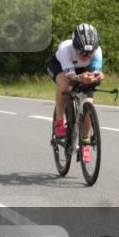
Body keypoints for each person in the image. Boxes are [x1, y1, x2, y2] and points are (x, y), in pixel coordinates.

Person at [46, 24, 104, 162]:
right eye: (82, 52)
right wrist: (80, 78)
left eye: (89, 53)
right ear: (74, 46)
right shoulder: (66, 49)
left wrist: (98, 76)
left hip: (82, 70)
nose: (85, 55)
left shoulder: (97, 51)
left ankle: (85, 143)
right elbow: (71, 75)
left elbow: (95, 71)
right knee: (65, 85)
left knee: (89, 103)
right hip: (60, 67)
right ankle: (59, 122)